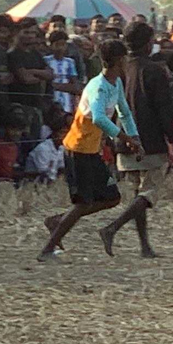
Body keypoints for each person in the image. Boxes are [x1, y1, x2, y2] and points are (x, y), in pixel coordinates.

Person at [39, 40, 138, 261]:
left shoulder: (115, 83)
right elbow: (99, 118)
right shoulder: (98, 87)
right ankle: (47, 248)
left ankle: (57, 221)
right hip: (78, 148)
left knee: (112, 198)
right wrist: (124, 137)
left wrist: (134, 136)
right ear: (120, 60)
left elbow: (124, 112)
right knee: (83, 203)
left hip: (91, 149)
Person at [107, 20, 173, 258]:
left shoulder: (118, 69)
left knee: (137, 194)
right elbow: (164, 109)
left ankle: (144, 246)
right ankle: (112, 228)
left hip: (123, 138)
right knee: (149, 193)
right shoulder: (154, 70)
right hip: (149, 140)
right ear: (148, 44)